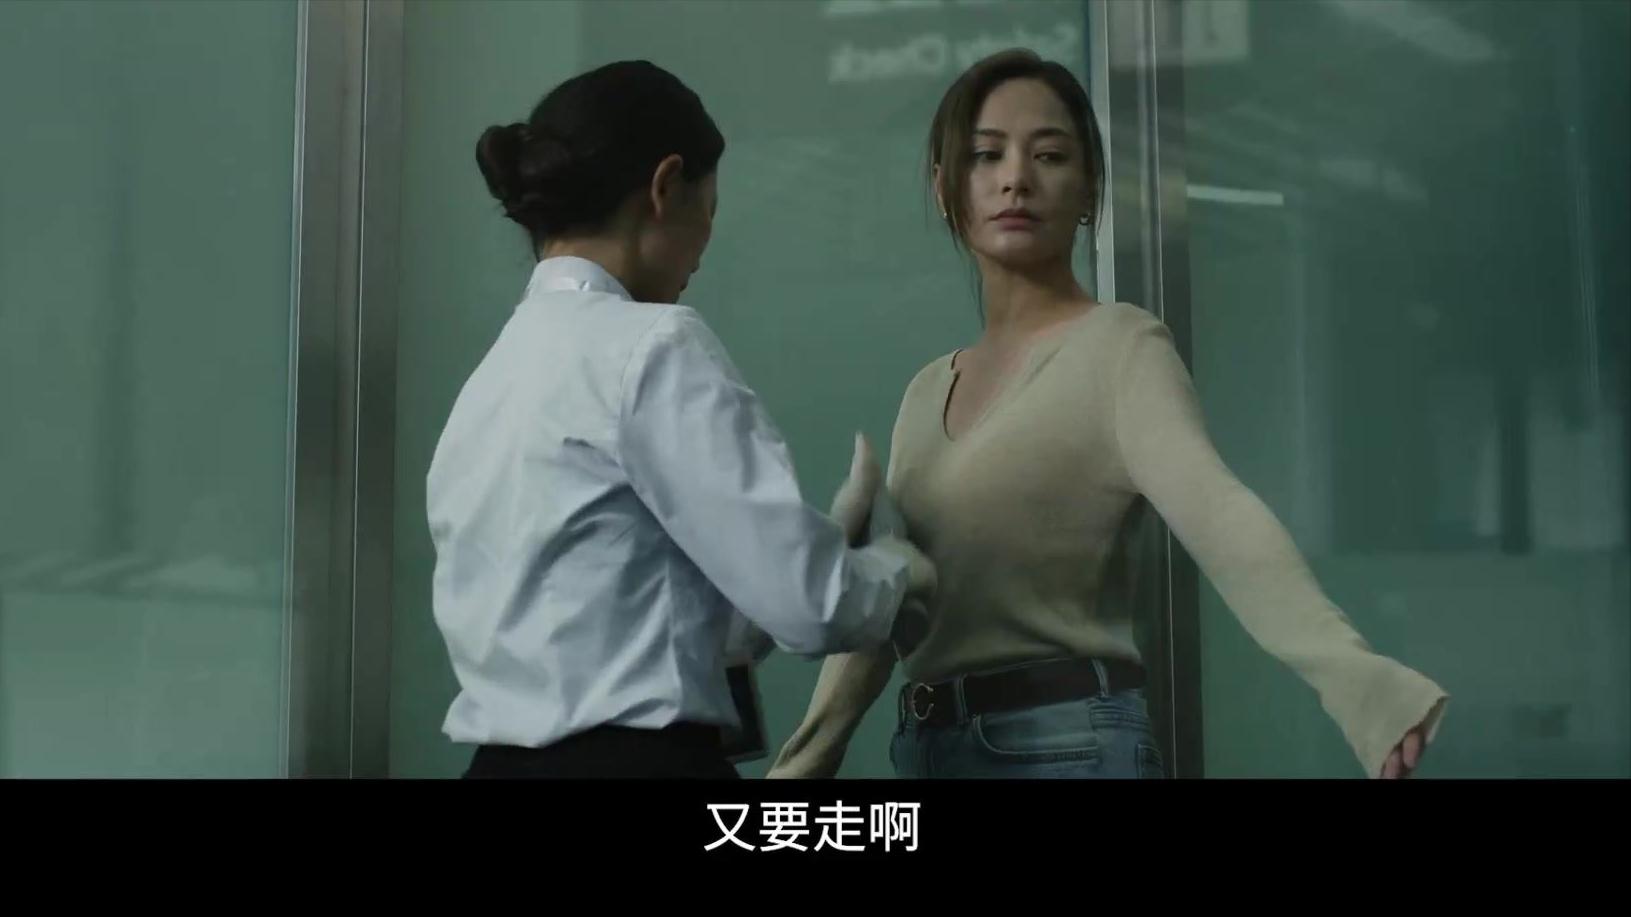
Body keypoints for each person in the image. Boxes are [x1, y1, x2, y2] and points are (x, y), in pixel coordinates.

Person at [767, 49, 1448, 780]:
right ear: (944, 188)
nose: (1016, 178)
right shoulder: (926, 390)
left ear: (1089, 187)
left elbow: (1220, 516)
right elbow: (887, 609)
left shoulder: (1119, 347)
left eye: (1049, 155)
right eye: (986, 155)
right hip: (931, 750)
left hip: (1066, 746)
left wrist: (1354, 679)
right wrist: (798, 769)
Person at [427, 60, 936, 779]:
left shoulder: (487, 383)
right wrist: (896, 572)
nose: (706, 244)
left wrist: (820, 543)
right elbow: (808, 607)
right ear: (665, 187)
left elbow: (651, 616)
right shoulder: (653, 345)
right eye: (710, 209)